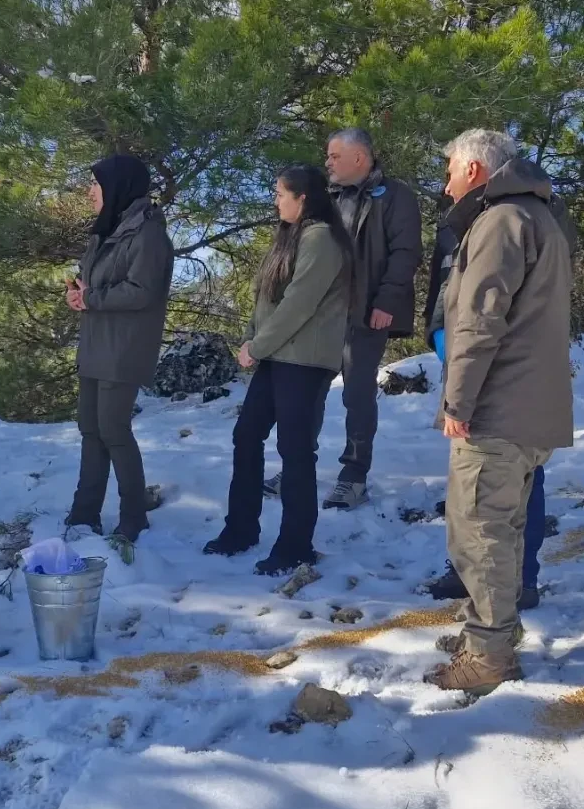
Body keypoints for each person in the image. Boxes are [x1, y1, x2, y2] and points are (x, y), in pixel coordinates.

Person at [423, 130, 573, 695]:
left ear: (477, 170)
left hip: (499, 406)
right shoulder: (540, 216)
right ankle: (492, 636)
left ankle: (487, 658)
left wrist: (457, 402)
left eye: (451, 171)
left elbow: (479, 321)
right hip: (529, 405)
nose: (446, 184)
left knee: (478, 534)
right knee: (503, 531)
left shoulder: (500, 221)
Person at [204, 166, 352, 575]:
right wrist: (252, 339)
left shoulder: (322, 238)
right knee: (246, 435)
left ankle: (294, 546)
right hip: (277, 356)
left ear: (303, 198)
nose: (275, 200)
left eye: (280, 194)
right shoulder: (292, 235)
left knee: (295, 451)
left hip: (303, 361)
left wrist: (259, 345)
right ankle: (240, 530)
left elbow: (299, 304)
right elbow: (267, 298)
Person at [263, 128, 421, 509]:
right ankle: (297, 467)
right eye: (328, 156)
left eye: (335, 155)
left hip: (368, 311)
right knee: (309, 392)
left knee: (357, 393)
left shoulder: (396, 196)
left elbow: (405, 252)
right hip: (321, 314)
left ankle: (354, 475)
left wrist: (386, 301)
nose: (328, 162)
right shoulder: (326, 199)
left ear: (360, 159)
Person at [64, 155, 173, 544]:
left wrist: (93, 297)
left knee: (113, 430)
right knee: (90, 429)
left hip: (124, 348)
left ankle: (133, 518)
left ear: (118, 187)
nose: (90, 191)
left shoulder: (148, 234)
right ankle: (83, 514)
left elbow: (142, 291)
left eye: (95, 184)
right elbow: (93, 282)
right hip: (96, 344)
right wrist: (79, 294)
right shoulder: (109, 228)